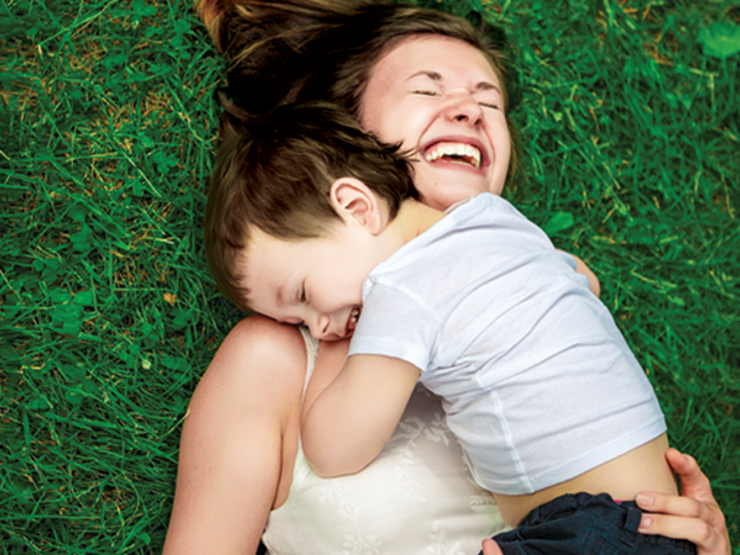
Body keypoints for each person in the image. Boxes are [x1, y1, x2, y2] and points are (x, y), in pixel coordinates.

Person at [162, 2, 731, 554]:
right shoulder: (273, 363)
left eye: (489, 101)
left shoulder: (546, 313)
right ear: (350, 135)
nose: (468, 109)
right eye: (426, 90)